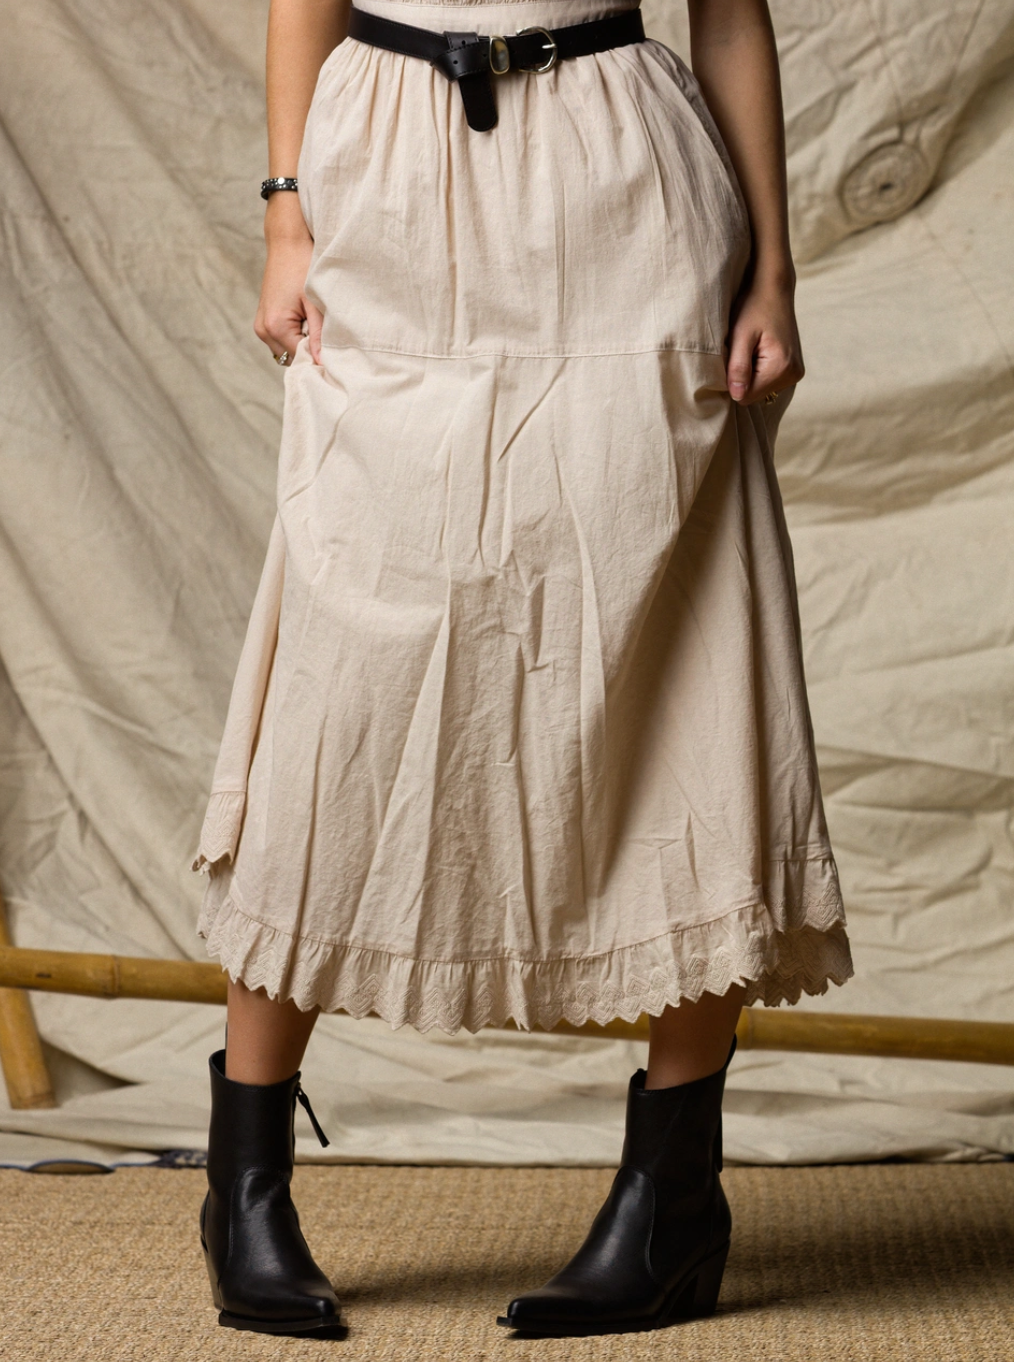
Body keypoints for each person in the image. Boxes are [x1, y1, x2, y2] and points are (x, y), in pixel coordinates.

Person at [193, 0, 852, 1339]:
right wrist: (285, 216)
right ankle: (242, 1183)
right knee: (346, 667)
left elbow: (727, 14)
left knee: (673, 642)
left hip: (623, 182)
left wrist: (771, 270)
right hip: (383, 168)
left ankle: (669, 1201)